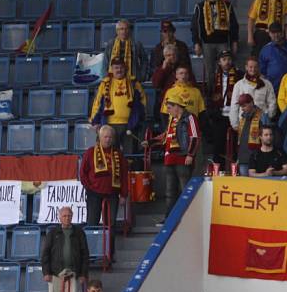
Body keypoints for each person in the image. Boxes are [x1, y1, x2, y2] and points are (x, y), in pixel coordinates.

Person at [146, 92, 200, 220]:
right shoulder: (173, 119)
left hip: (182, 158)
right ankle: (170, 218)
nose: (168, 111)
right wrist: (150, 142)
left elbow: (195, 137)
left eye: (169, 107)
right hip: (169, 159)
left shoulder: (190, 118)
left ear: (177, 106)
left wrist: (190, 155)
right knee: (170, 192)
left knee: (185, 190)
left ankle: (187, 217)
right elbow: (166, 137)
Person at [79, 125, 128, 258]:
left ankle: (109, 254)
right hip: (94, 194)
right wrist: (89, 187)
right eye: (105, 137)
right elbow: (82, 173)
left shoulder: (118, 154)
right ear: (99, 138)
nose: (107, 140)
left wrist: (123, 194)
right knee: (92, 223)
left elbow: (124, 175)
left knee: (111, 225)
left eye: (110, 137)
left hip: (112, 194)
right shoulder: (90, 152)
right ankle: (91, 255)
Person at [90, 58, 147, 152]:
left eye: (121, 67)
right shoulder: (105, 84)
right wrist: (95, 121)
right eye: (116, 68)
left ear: (125, 68)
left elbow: (142, 102)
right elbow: (98, 103)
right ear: (112, 69)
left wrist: (140, 118)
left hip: (130, 125)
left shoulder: (134, 83)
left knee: (129, 155)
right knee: (109, 152)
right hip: (109, 125)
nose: (119, 70)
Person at [191, 0, 239, 89]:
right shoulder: (200, 6)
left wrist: (234, 41)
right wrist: (196, 43)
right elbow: (195, 26)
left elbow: (234, 25)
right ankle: (211, 96)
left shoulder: (227, 6)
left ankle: (226, 93)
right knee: (210, 71)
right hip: (207, 43)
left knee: (226, 68)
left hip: (223, 43)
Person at [41, 206, 89, 292]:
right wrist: (46, 272)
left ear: (72, 217)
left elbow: (85, 254)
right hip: (55, 274)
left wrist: (83, 274)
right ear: (60, 217)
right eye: (64, 216)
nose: (67, 218)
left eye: (69, 216)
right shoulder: (53, 233)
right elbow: (45, 254)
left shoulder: (79, 232)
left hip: (73, 273)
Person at [207, 50, 242, 167]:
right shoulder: (213, 77)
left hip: (236, 115)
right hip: (219, 115)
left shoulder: (240, 75)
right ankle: (219, 171)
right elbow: (208, 95)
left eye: (229, 59)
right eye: (224, 59)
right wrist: (212, 112)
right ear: (219, 62)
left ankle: (236, 170)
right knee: (218, 145)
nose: (227, 62)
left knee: (237, 145)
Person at [229, 57, 277, 130]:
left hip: (262, 122)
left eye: (255, 67)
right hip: (244, 121)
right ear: (246, 67)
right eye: (250, 67)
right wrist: (235, 124)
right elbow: (234, 105)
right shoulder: (239, 85)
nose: (253, 69)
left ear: (259, 67)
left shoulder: (267, 84)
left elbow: (272, 103)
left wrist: (268, 116)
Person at [234, 93, 269, 176]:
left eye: (244, 106)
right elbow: (241, 140)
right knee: (245, 186)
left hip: (258, 158)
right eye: (241, 106)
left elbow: (268, 138)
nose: (242, 109)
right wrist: (238, 158)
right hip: (243, 158)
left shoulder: (262, 116)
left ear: (252, 103)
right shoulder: (242, 119)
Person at [258, 23, 287, 93]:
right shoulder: (265, 49)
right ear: (269, 34)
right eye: (273, 32)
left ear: (282, 33)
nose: (276, 35)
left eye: (278, 32)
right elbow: (262, 73)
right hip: (272, 89)